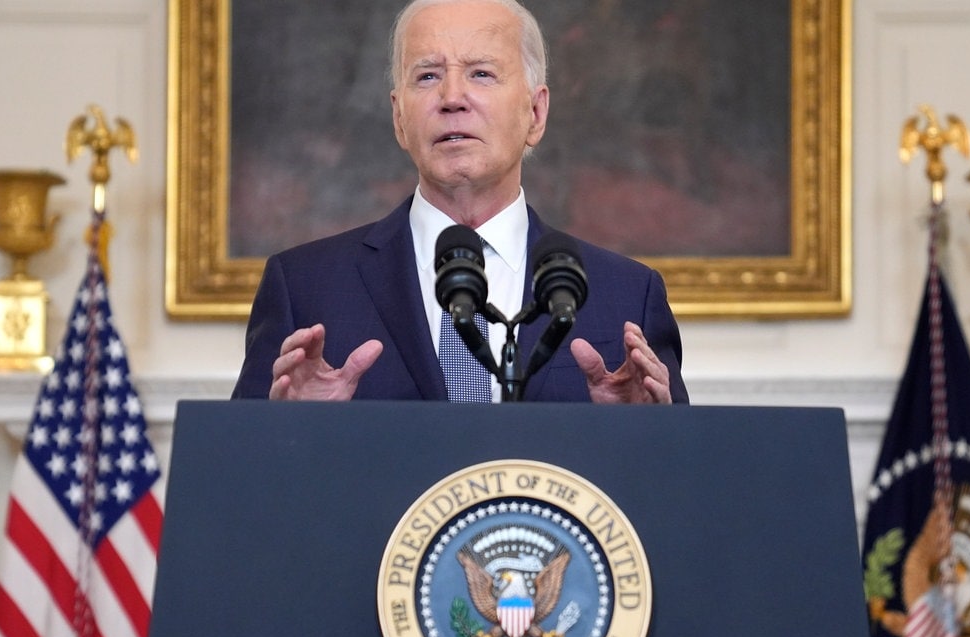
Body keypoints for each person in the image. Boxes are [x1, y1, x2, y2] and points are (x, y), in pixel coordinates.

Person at [231, 0, 688, 404]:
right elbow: (243, 482)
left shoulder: (628, 294)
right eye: (427, 76)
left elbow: (682, 485)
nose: (451, 98)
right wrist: (292, 433)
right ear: (399, 118)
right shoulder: (305, 288)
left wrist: (642, 437)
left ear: (535, 113)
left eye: (481, 74)